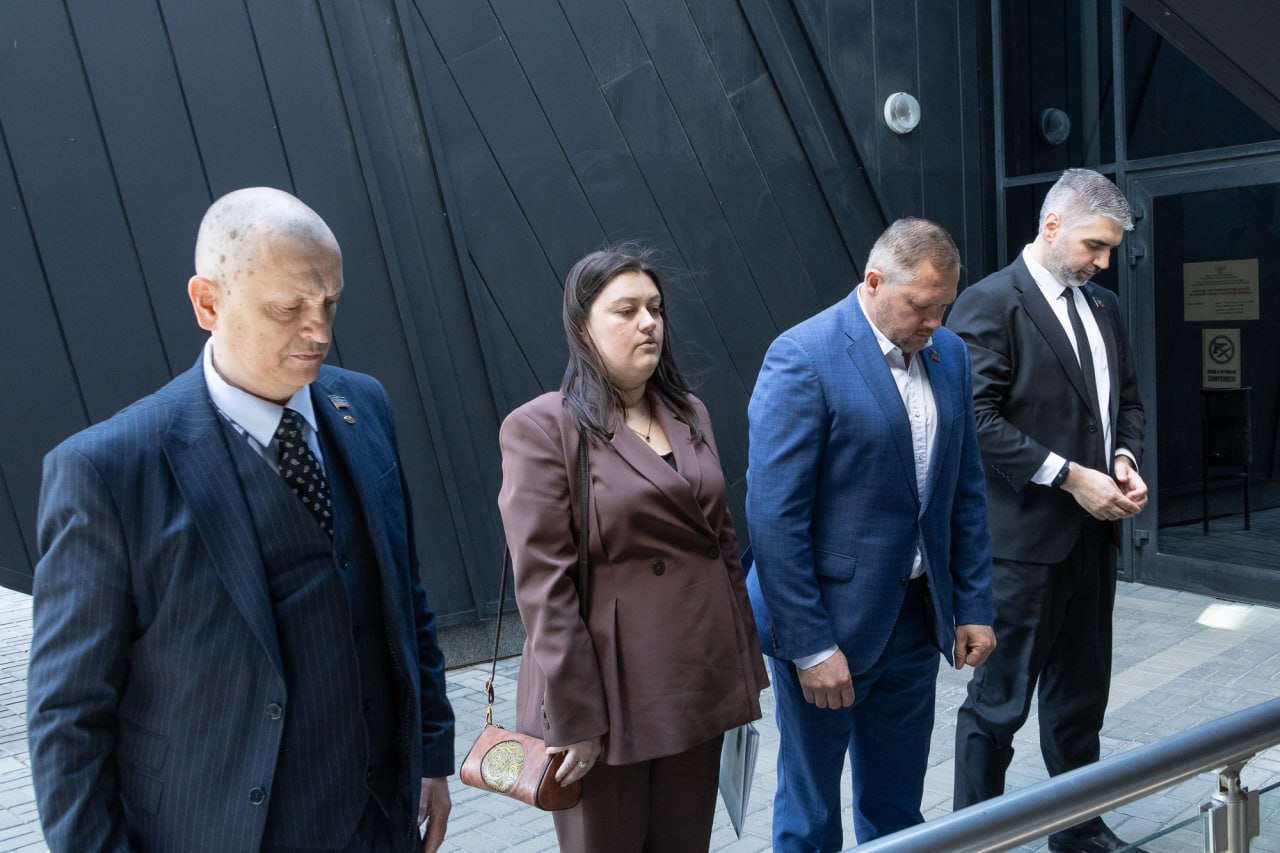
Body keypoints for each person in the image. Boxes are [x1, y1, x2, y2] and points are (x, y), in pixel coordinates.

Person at [27, 187, 455, 853]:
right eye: (287, 308)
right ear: (207, 303)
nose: (319, 331)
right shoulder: (108, 471)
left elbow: (405, 597)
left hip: (380, 823)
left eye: (330, 303)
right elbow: (67, 718)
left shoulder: (363, 404)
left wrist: (429, 754)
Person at [496, 246, 769, 852]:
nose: (649, 322)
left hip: (697, 679)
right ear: (582, 327)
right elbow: (544, 587)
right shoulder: (543, 426)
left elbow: (721, 543)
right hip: (609, 691)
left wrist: (742, 671)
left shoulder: (688, 412)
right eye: (626, 311)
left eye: (656, 308)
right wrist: (575, 717)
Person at [745, 218, 996, 850]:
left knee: (897, 804)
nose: (935, 321)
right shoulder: (803, 356)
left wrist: (972, 604)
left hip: (915, 619)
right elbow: (775, 518)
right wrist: (810, 647)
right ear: (875, 281)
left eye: (945, 306)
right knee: (810, 812)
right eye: (922, 306)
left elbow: (963, 490)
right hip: (827, 625)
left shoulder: (950, 354)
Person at [948, 168, 1148, 853]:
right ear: (1052, 225)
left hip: (1095, 540)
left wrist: (1123, 459)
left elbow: (1126, 402)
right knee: (997, 707)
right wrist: (1070, 476)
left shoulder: (1106, 307)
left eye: (1112, 249)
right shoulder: (988, 303)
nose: (1104, 262)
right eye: (1095, 245)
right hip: (1020, 549)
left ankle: (1079, 831)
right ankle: (973, 839)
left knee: (1080, 702)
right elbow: (974, 420)